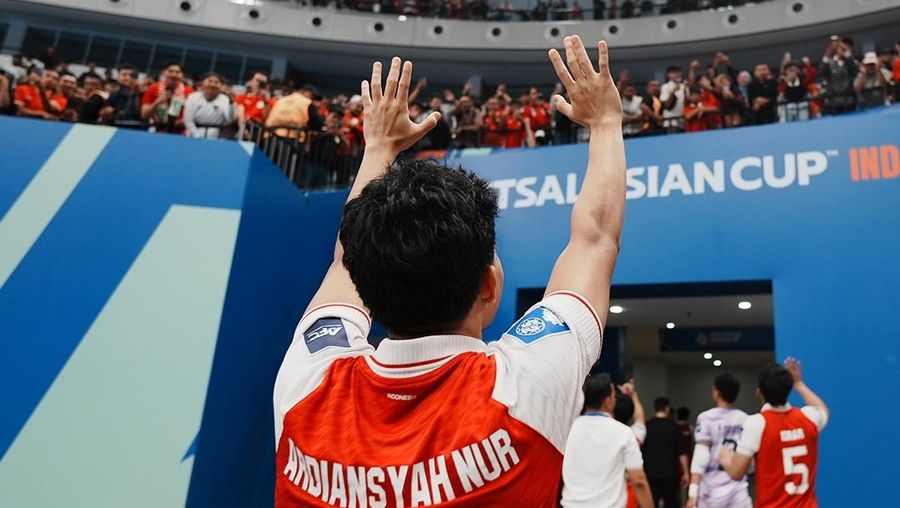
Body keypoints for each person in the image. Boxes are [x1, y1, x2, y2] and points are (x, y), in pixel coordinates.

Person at [273, 35, 625, 505]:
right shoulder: (526, 385)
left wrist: (377, 146)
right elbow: (595, 239)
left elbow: (345, 258)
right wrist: (605, 122)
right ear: (488, 284)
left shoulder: (308, 383)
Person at [720, 358, 829, 508]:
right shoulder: (808, 418)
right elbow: (823, 410)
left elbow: (736, 472)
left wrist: (726, 458)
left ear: (759, 392)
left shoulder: (757, 423)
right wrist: (798, 383)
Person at [562, 375, 654, 508]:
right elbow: (638, 480)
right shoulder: (624, 433)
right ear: (608, 401)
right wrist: (633, 395)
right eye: (613, 396)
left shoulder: (568, 429)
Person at [685, 373, 750, 508]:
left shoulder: (706, 418)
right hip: (739, 492)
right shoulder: (746, 419)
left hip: (712, 491)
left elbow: (701, 456)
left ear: (717, 392)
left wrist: (693, 492)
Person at [643, 397, 690, 507]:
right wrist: (686, 472)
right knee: (671, 503)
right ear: (667, 408)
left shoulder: (647, 426)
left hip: (650, 473)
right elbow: (682, 452)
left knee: (651, 503)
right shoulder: (675, 427)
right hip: (670, 473)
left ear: (655, 409)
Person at [141, 61, 194, 134]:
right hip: (155, 131)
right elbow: (144, 115)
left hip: (181, 134)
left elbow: (195, 115)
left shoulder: (190, 92)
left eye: (178, 72)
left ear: (182, 75)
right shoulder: (153, 88)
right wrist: (157, 102)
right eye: (170, 71)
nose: (174, 74)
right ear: (163, 72)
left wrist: (184, 121)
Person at [184, 72, 234, 139]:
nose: (213, 85)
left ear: (221, 86)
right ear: (202, 83)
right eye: (210, 81)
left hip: (216, 135)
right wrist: (197, 136)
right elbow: (188, 120)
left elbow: (229, 119)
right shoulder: (193, 97)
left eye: (216, 82)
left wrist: (231, 104)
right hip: (193, 134)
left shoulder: (224, 99)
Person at [660, 65, 686, 133]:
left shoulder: (684, 86)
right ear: (668, 75)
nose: (677, 74)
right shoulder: (665, 86)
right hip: (671, 123)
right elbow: (666, 106)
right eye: (674, 73)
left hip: (683, 122)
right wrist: (673, 92)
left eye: (678, 72)